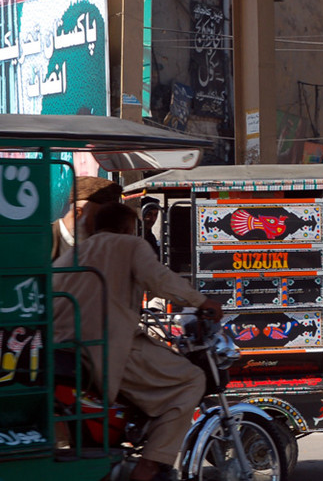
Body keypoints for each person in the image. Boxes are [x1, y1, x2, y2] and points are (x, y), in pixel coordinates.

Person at [53, 202, 223, 481]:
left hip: (66, 351)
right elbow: (160, 278)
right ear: (127, 228)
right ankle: (151, 462)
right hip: (109, 348)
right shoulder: (130, 245)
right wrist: (202, 301)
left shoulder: (73, 254)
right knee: (192, 379)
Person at [51, 175, 121, 259]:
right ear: (78, 213)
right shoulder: (41, 240)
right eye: (101, 219)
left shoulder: (97, 247)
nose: (105, 228)